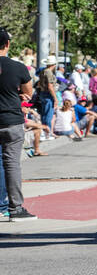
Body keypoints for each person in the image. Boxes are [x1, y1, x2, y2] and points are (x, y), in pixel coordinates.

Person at [1, 28, 38, 220]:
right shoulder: (18, 68)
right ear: (7, 44)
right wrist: (16, 95)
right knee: (11, 164)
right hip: (11, 120)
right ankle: (15, 208)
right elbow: (28, 93)